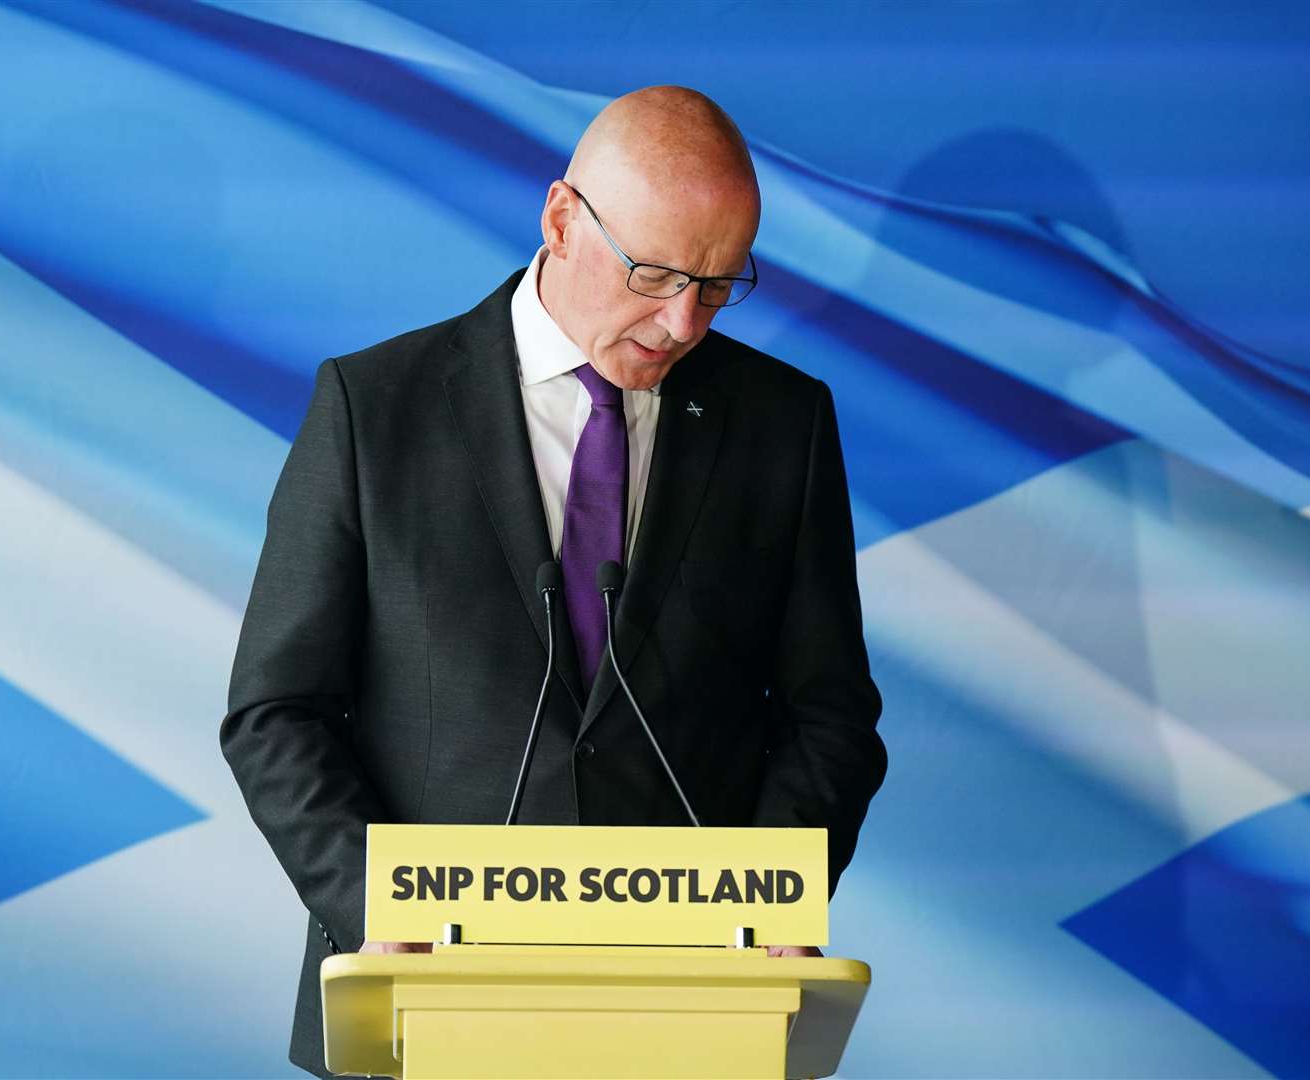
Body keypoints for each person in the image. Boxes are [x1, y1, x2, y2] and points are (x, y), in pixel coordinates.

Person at [221, 85, 886, 1077]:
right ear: (562, 219)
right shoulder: (375, 409)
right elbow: (276, 713)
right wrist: (375, 909)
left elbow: (828, 715)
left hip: (688, 1011)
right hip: (425, 1002)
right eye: (657, 274)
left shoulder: (781, 425)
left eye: (718, 284)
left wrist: (776, 896)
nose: (682, 322)